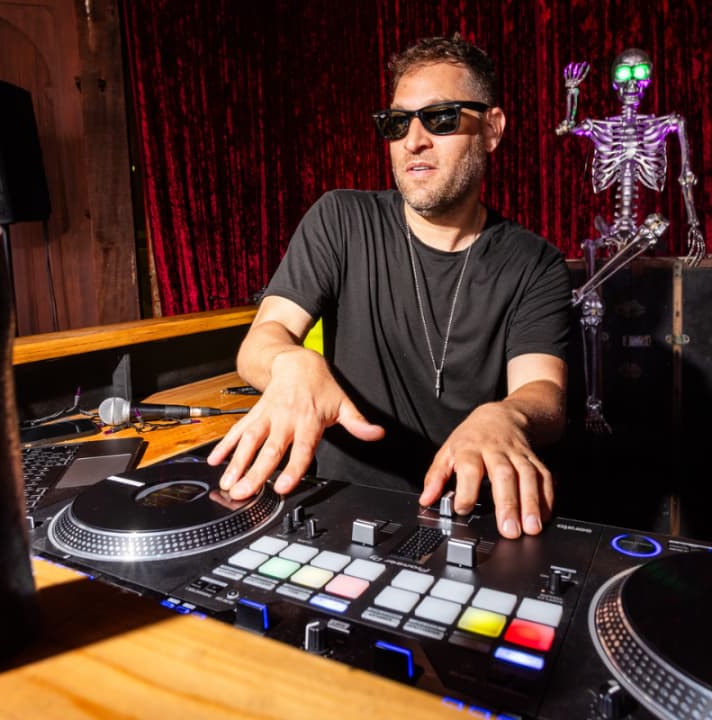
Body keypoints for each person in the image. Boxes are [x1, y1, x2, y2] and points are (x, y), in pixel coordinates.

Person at [208, 34, 571, 539]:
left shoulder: (535, 262)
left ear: (492, 129)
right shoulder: (340, 219)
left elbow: (544, 392)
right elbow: (262, 340)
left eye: (440, 118)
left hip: (470, 518)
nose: (413, 141)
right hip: (340, 507)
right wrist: (291, 362)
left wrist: (506, 415)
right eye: (398, 123)